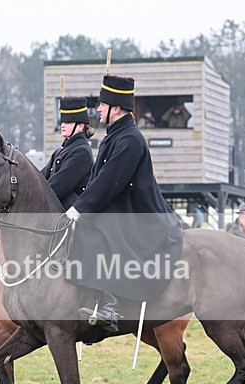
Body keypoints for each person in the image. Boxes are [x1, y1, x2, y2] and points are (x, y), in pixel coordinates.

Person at [64, 74, 183, 333]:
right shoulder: (114, 136)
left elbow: (108, 182)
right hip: (121, 209)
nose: (97, 110)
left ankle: (110, 304)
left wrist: (78, 210)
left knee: (96, 234)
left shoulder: (129, 139)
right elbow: (98, 180)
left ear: (115, 108)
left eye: (102, 106)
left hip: (140, 216)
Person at [40, 96, 94, 210]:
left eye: (68, 121)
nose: (63, 125)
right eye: (62, 121)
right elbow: (40, 178)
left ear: (80, 126)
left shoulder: (82, 152)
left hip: (70, 217)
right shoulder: (59, 151)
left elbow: (57, 187)